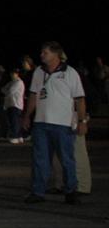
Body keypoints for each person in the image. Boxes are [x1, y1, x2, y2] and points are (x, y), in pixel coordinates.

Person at [22, 42, 87, 204]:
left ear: (56, 54)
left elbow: (79, 99)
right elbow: (33, 95)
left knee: (67, 159)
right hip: (41, 123)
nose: (42, 55)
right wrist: (27, 115)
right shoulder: (38, 72)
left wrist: (82, 120)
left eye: (45, 52)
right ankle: (38, 192)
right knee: (40, 159)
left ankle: (71, 191)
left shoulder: (70, 73)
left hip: (63, 124)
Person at [2, 68, 26, 143]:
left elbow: (10, 91)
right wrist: (6, 91)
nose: (12, 75)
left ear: (17, 74)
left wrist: (6, 91)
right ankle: (19, 136)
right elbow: (3, 89)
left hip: (15, 104)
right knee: (15, 121)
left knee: (15, 121)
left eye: (14, 73)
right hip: (11, 104)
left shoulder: (19, 82)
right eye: (11, 73)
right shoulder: (12, 82)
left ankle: (15, 136)